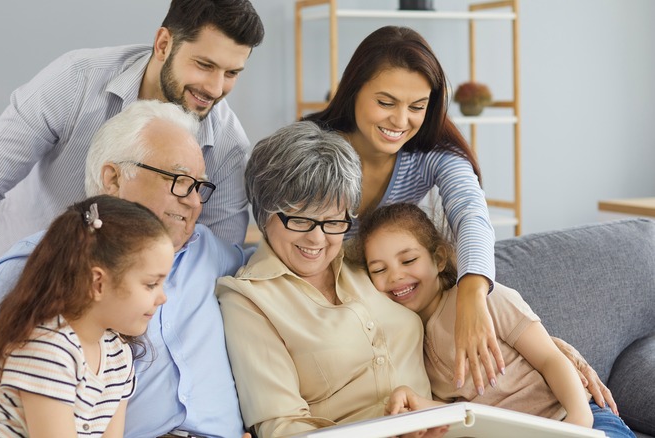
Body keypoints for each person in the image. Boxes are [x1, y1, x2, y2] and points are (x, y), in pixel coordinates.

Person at [0, 100, 250, 438]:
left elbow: (283, 266)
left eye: (199, 187)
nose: (193, 204)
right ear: (114, 178)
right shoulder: (50, 261)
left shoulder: (209, 253)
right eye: (180, 182)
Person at [303, 25, 608, 400]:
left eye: (417, 106)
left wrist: (473, 297)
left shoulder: (431, 154)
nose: (401, 121)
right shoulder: (312, 149)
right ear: (353, 92)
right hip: (325, 311)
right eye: (386, 102)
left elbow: (471, 216)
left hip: (389, 324)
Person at [0, 0, 264, 264]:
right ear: (163, 44)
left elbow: (217, 257)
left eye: (232, 73)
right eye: (204, 65)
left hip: (128, 296)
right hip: (17, 259)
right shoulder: (75, 80)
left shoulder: (228, 146)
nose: (215, 88)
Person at [216, 121, 448, 438]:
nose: (317, 238)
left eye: (333, 221)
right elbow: (282, 428)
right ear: (265, 212)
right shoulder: (248, 299)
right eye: (300, 219)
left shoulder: (367, 260)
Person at [356, 202, 636, 437]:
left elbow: (551, 359)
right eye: (379, 270)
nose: (395, 277)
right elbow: (463, 412)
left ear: (439, 259)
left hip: (580, 419)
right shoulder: (411, 338)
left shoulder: (483, 299)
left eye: (408, 261)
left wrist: (579, 420)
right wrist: (414, 402)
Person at [0, 195, 173, 437]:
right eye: (151, 284)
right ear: (98, 283)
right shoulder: (48, 349)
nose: (163, 298)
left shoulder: (117, 354)